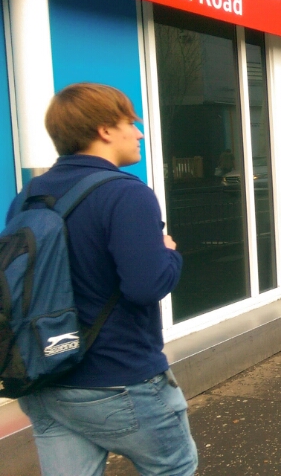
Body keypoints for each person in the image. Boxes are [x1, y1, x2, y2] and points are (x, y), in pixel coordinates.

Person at [12, 84, 195, 476]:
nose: (140, 133)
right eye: (131, 122)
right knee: (174, 467)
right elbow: (146, 286)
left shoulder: (28, 196)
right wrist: (169, 251)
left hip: (45, 379)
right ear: (105, 130)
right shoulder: (127, 194)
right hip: (120, 379)